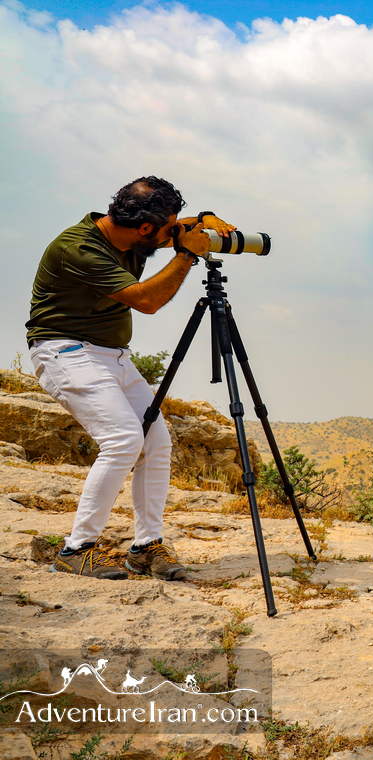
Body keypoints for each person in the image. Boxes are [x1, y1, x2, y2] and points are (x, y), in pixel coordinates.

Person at [26, 176, 235, 580]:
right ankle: (76, 549)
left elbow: (178, 228)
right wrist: (187, 255)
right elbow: (147, 301)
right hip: (64, 351)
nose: (172, 232)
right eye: (166, 227)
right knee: (123, 439)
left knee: (156, 442)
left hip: (113, 356)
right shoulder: (79, 247)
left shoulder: (132, 234)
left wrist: (205, 219)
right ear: (144, 228)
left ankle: (145, 547)